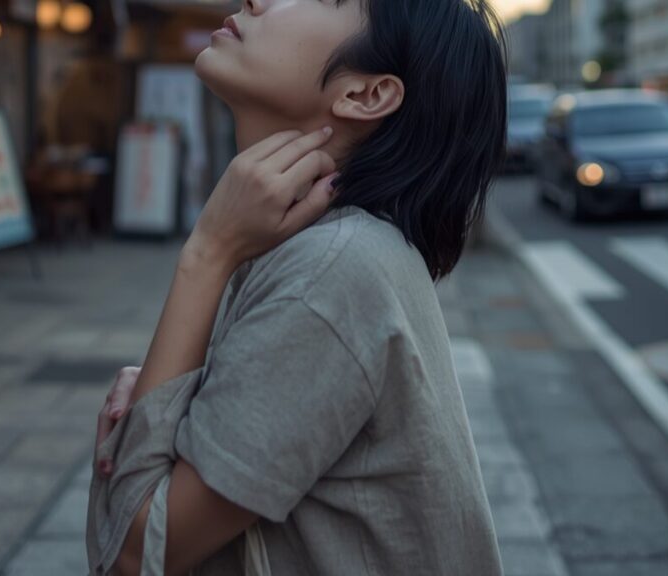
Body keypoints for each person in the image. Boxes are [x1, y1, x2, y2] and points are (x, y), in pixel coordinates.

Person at [91, 0, 507, 574]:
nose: (260, 0)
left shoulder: (329, 272)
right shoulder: (335, 250)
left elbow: (137, 553)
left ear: (365, 95)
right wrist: (181, 392)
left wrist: (207, 251)